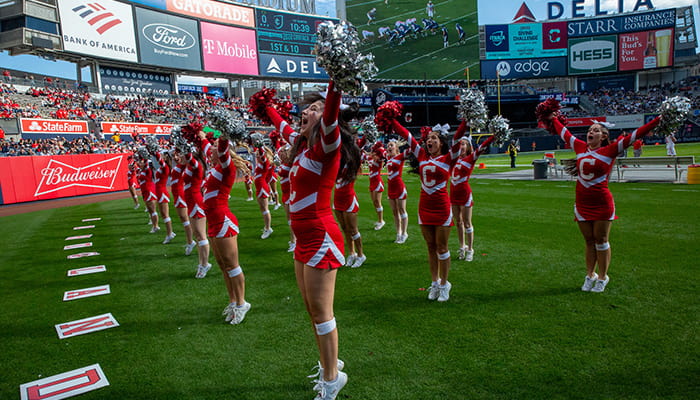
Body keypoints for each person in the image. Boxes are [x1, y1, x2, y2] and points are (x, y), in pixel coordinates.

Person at [260, 80, 353, 399]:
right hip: (303, 239)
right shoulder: (302, 146)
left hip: (321, 236)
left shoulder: (329, 144)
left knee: (322, 312)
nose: (305, 112)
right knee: (312, 311)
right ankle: (331, 364)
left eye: (312, 109)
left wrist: (336, 80)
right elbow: (280, 123)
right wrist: (266, 106)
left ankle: (331, 380)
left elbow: (329, 117)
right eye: (306, 108)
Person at [542, 107, 660, 293]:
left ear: (603, 136)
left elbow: (635, 134)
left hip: (602, 203)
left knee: (601, 240)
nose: (591, 132)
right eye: (590, 130)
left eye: (596, 130)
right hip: (582, 203)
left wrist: (658, 119)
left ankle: (603, 277)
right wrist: (552, 118)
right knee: (589, 241)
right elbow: (564, 133)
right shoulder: (580, 146)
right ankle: (590, 275)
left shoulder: (611, 150)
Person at [391, 119, 467, 302]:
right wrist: (390, 117)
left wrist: (467, 119)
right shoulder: (422, 156)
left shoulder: (449, 158)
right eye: (428, 138)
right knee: (430, 247)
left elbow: (458, 137)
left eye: (434, 138)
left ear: (441, 143)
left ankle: (444, 284)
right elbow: (406, 135)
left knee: (442, 247)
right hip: (424, 208)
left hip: (441, 208)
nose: (429, 141)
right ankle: (434, 283)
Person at [199, 131, 252, 325]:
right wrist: (201, 136)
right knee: (223, 266)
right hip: (212, 221)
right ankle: (232, 301)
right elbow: (207, 148)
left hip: (223, 221)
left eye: (214, 146)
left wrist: (223, 132)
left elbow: (220, 149)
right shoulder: (213, 167)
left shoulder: (226, 167)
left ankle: (241, 303)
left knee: (232, 265)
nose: (211, 148)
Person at [450, 135, 494, 261]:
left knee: (467, 222)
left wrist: (494, 136)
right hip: (453, 194)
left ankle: (470, 249)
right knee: (458, 222)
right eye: (460, 144)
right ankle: (461, 247)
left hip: (464, 193)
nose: (461, 146)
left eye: (464, 144)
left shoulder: (470, 158)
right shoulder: (453, 158)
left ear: (468, 146)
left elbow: (481, 147)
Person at [181, 132, 211, 279]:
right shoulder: (190, 166)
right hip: (191, 202)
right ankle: (201, 263)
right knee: (198, 236)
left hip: (196, 202)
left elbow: (189, 159)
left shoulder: (197, 165)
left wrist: (183, 146)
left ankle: (205, 264)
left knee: (201, 235)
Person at [334, 126, 365, 268]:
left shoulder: (352, 160)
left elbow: (358, 147)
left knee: (353, 229)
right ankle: (351, 253)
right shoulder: (337, 160)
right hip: (337, 198)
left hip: (348, 198)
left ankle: (361, 254)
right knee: (344, 228)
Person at [168, 150, 197, 255]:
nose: (175, 157)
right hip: (176, 195)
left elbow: (190, 158)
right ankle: (190, 241)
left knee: (185, 220)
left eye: (178, 154)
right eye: (173, 155)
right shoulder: (177, 166)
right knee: (183, 219)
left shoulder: (183, 166)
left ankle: (191, 242)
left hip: (180, 195)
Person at [151, 148, 176, 244]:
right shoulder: (161, 168)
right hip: (159, 192)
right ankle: (170, 233)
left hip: (162, 192)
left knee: (165, 215)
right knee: (163, 214)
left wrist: (155, 152)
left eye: (162, 155)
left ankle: (169, 233)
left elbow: (160, 160)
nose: (160, 157)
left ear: (165, 158)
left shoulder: (165, 167)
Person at [385, 139, 409, 244]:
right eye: (388, 146)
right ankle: (398, 233)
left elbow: (411, 150)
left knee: (402, 210)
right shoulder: (388, 158)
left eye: (391, 145)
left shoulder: (400, 157)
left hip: (399, 186)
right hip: (391, 187)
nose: (389, 147)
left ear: (396, 147)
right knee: (395, 212)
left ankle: (404, 233)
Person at [253, 145, 274, 239]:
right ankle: (266, 226)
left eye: (258, 154)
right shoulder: (260, 163)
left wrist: (260, 146)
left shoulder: (265, 163)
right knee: (262, 208)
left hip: (262, 187)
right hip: (259, 187)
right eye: (256, 154)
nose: (257, 156)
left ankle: (268, 228)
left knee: (265, 209)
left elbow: (262, 155)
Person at [136, 156, 159, 232]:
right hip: (145, 191)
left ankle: (155, 226)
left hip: (149, 191)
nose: (139, 163)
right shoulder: (141, 171)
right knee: (150, 210)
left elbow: (146, 164)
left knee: (153, 210)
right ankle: (153, 224)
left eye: (140, 162)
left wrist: (145, 156)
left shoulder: (147, 170)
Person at [367, 142, 386, 230]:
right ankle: (379, 220)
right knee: (374, 202)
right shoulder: (370, 157)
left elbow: (383, 153)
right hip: (371, 182)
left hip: (377, 182)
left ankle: (381, 220)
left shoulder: (379, 159)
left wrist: (378, 149)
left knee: (377, 202)